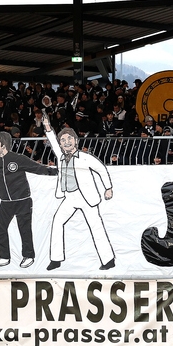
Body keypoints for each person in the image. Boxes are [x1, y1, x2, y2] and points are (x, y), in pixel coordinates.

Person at [42, 113, 116, 270]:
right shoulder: (61, 156)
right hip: (69, 197)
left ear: (76, 141)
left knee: (96, 226)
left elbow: (101, 169)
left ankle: (108, 259)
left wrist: (108, 188)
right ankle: (56, 259)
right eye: (63, 140)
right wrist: (48, 127)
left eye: (69, 139)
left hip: (86, 197)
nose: (66, 142)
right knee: (57, 222)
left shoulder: (84, 157)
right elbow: (53, 142)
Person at [0, 130, 58, 268]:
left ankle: (28, 256)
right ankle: (4, 256)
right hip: (6, 203)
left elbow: (38, 168)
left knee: (24, 228)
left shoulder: (17, 159)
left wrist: (57, 171)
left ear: (3, 145)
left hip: (22, 200)